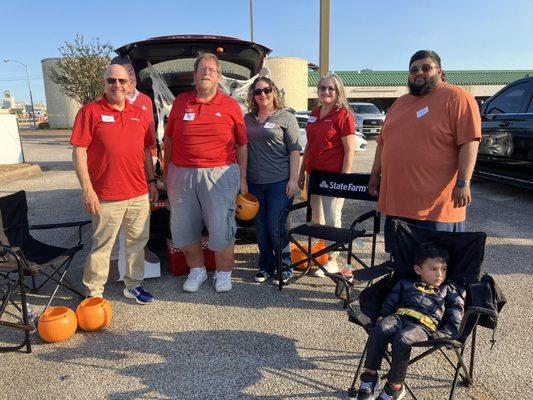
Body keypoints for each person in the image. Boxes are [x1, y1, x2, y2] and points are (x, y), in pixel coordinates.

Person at [368, 50, 481, 251]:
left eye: (426, 68)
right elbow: (382, 142)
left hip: (435, 209)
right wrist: (375, 175)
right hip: (398, 204)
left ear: (439, 71)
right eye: (414, 69)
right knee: (401, 264)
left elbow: (469, 141)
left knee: (435, 269)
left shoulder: (456, 97)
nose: (419, 72)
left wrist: (463, 182)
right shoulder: (400, 103)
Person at [71, 64, 158, 304]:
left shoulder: (140, 114)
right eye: (112, 81)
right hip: (106, 195)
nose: (117, 85)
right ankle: (94, 291)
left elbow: (145, 150)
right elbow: (79, 152)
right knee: (102, 246)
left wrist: (151, 181)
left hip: (138, 193)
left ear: (130, 85)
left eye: (122, 81)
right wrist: (87, 190)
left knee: (136, 244)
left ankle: (133, 285)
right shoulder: (90, 112)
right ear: (104, 84)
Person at [163, 52, 247, 293]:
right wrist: (167, 172)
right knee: (184, 227)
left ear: (219, 76)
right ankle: (197, 271)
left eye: (211, 70)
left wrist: (242, 178)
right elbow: (168, 139)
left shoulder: (230, 106)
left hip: (220, 174)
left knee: (221, 228)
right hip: (182, 174)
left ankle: (223, 274)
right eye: (202, 69)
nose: (206, 73)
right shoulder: (181, 101)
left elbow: (242, 144)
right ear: (195, 74)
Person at [356, 242, 465, 400]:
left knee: (403, 338)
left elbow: (455, 314)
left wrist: (444, 333)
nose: (440, 274)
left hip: (424, 326)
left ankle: (395, 387)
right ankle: (369, 378)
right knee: (381, 328)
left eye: (444, 269)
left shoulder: (449, 290)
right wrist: (382, 316)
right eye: (433, 269)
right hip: (399, 317)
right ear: (418, 270)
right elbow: (390, 301)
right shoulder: (405, 282)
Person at [297, 73, 356, 277]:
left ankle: (333, 259)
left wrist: (344, 179)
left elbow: (350, 149)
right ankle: (321, 255)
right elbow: (310, 145)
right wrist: (302, 172)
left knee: (332, 218)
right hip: (314, 175)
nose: (326, 92)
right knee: (317, 218)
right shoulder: (315, 112)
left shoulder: (343, 114)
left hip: (333, 176)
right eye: (322, 88)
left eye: (330, 88)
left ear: (338, 91)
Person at [107, 56, 160, 280]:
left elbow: (149, 135)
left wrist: (154, 162)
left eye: (130, 73)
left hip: (144, 162)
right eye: (121, 74)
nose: (126, 78)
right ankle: (113, 257)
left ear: (134, 78)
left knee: (142, 209)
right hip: (117, 168)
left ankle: (142, 247)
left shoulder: (145, 101)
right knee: (114, 212)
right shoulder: (107, 101)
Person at [245, 77, 301, 285]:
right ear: (253, 96)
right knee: (260, 227)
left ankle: (284, 266)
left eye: (267, 90)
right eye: (258, 91)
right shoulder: (247, 119)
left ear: (274, 92)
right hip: (254, 183)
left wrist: (293, 180)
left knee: (276, 226)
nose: (263, 95)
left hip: (279, 182)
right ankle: (265, 266)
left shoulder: (286, 118)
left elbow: (295, 151)